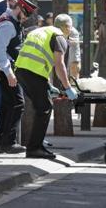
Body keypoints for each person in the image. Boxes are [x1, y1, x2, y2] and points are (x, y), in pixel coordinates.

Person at [15, 13, 78, 159]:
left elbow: (37, 55)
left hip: (21, 70)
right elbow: (59, 65)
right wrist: (67, 87)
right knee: (44, 107)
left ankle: (36, 145)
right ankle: (34, 148)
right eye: (70, 28)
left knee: (41, 106)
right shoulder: (59, 37)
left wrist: (48, 85)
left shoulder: (40, 30)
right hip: (33, 73)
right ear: (67, 27)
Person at [0, 0, 37, 154]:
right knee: (18, 103)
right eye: (24, 15)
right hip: (6, 69)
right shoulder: (7, 25)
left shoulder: (10, 19)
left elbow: (9, 4)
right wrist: (9, 72)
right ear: (19, 9)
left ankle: (0, 144)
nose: (25, 19)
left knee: (7, 105)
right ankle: (8, 142)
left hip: (7, 68)